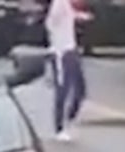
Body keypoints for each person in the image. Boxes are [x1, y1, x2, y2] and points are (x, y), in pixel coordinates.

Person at [45, 0, 87, 141]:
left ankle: (69, 117)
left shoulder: (67, 4)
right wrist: (57, 46)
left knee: (80, 89)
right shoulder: (60, 3)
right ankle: (59, 127)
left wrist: (77, 16)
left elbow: (65, 19)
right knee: (63, 89)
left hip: (71, 49)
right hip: (61, 52)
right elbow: (50, 23)